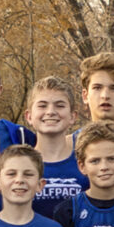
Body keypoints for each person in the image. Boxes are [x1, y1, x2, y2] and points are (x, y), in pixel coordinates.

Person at [25, 77, 85, 218]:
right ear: (29, 116)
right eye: (42, 105)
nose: (51, 111)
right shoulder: (19, 165)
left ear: (72, 116)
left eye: (59, 105)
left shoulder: (86, 163)